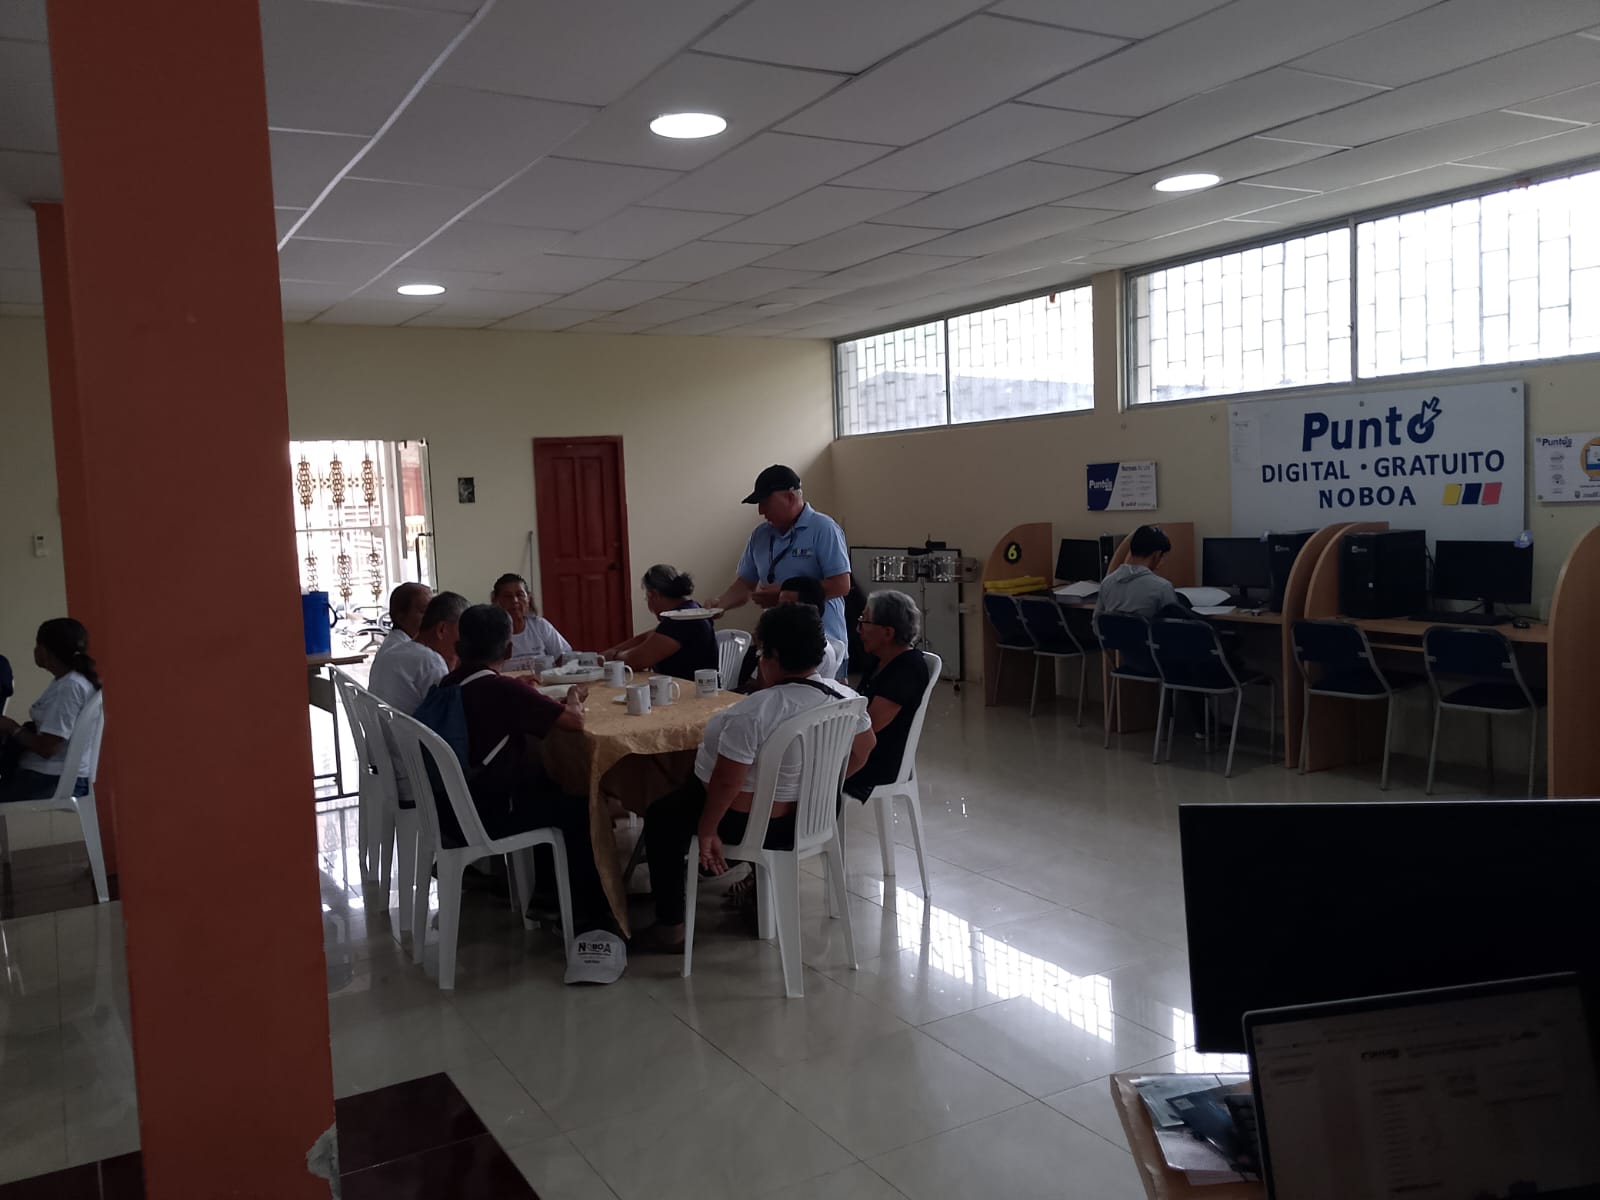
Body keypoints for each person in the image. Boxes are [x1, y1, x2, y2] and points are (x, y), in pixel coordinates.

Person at [635, 604, 875, 952]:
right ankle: (743, 888)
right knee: (684, 796)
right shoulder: (845, 699)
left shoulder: (753, 712)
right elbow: (864, 750)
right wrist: (818, 788)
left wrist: (708, 830)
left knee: (662, 816)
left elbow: (727, 783)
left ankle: (671, 926)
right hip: (813, 816)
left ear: (770, 656)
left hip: (749, 824)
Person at [418, 605, 605, 917]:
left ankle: (546, 893)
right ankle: (588, 913)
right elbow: (574, 721)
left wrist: (525, 692)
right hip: (490, 814)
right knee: (579, 804)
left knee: (544, 784)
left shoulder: (446, 684)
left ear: (459, 646)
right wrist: (574, 696)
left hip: (448, 811)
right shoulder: (502, 689)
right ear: (508, 649)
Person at [707, 465, 852, 677]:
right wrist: (719, 605)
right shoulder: (760, 535)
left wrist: (785, 595)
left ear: (790, 497)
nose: (761, 511)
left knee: (819, 698)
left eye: (765, 502)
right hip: (777, 648)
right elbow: (745, 583)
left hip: (822, 645)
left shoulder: (823, 528)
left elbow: (841, 585)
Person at [0, 618, 102, 804]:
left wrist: (11, 727)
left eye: (37, 644)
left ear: (44, 651)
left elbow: (48, 748)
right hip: (55, 776)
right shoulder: (69, 682)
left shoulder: (70, 687)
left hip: (52, 779)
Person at [843, 589, 932, 803]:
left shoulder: (908, 668)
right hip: (864, 749)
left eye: (865, 621)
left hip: (876, 761)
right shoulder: (879, 659)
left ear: (888, 632)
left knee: (805, 769)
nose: (858, 628)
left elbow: (870, 725)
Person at [602, 564, 716, 681]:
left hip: (688, 689)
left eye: (647, 598)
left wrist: (613, 657)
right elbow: (649, 637)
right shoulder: (693, 609)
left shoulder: (679, 620)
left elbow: (635, 661)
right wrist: (607, 653)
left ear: (654, 595)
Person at [368, 590, 468, 717]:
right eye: (462, 632)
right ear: (441, 630)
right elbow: (449, 718)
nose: (464, 641)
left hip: (379, 728)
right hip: (405, 730)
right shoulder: (431, 662)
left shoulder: (392, 653)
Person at [1094, 525, 1180, 620]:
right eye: (1163, 557)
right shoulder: (1163, 587)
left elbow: (1096, 622)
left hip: (1111, 630)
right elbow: (1173, 626)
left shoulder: (1107, 582)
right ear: (1157, 554)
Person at [490, 573, 571, 661]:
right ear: (496, 600)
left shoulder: (540, 626)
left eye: (519, 595)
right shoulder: (490, 631)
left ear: (528, 598)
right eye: (507, 596)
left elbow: (565, 657)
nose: (515, 600)